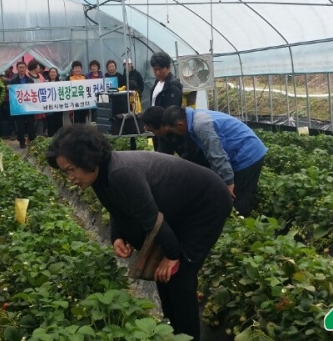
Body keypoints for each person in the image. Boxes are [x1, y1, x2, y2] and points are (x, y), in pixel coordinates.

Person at [46, 125, 231, 340]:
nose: (70, 177)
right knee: (163, 277)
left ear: (88, 158)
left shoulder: (121, 173)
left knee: (179, 277)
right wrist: (117, 236)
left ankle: (188, 336)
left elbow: (152, 221)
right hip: (178, 209)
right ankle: (172, 333)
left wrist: (173, 256)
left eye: (71, 169)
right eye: (65, 172)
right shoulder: (99, 173)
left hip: (206, 204)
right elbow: (117, 207)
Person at [161, 105, 267, 217]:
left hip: (248, 154)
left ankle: (242, 225)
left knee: (238, 197)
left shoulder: (201, 125)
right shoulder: (193, 119)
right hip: (237, 153)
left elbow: (217, 155)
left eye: (173, 131)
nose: (175, 134)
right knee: (228, 195)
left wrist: (228, 182)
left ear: (180, 125)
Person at [142, 106, 209, 168]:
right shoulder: (164, 136)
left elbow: (191, 155)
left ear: (164, 126)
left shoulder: (184, 130)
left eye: (153, 131)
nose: (154, 134)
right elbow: (163, 158)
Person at [9, 61, 36, 149]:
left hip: (29, 106)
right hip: (19, 107)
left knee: (31, 124)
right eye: (20, 67)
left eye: (23, 67)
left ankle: (32, 140)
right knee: (20, 125)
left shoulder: (30, 80)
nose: (22, 69)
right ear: (17, 69)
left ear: (26, 68)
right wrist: (8, 89)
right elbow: (12, 94)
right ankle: (21, 141)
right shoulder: (13, 81)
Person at [27, 59, 47, 137]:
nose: (39, 68)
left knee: (41, 120)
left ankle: (40, 136)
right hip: (31, 102)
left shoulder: (41, 76)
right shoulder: (27, 76)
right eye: (38, 66)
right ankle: (31, 138)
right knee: (32, 122)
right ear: (34, 67)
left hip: (41, 102)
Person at [46, 67, 64, 136]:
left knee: (59, 123)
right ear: (49, 73)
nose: (53, 74)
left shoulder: (61, 83)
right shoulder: (45, 82)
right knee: (50, 123)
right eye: (51, 72)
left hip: (59, 107)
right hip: (49, 108)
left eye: (54, 72)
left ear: (57, 74)